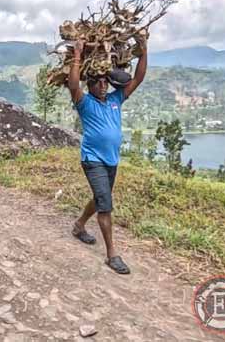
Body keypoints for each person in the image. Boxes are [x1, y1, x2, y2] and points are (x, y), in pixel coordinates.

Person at [68, 38, 147, 274]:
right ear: (90, 84)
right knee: (105, 204)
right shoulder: (85, 103)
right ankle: (112, 254)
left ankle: (79, 225)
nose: (103, 86)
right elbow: (73, 85)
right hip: (92, 160)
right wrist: (78, 54)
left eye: (105, 82)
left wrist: (144, 50)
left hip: (111, 160)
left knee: (101, 197)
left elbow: (139, 78)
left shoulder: (116, 99)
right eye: (97, 82)